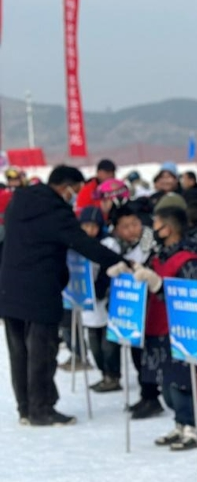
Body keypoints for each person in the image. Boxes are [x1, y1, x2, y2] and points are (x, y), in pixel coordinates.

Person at [0, 166, 127, 425]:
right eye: (75, 190)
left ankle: (25, 407)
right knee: (42, 352)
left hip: (9, 288)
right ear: (65, 186)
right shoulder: (55, 211)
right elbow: (83, 242)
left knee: (19, 352)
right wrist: (120, 262)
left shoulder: (18, 202)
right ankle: (41, 409)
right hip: (40, 290)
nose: (75, 195)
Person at [131, 198, 197, 449]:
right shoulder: (157, 255)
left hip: (179, 331)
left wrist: (159, 286)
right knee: (166, 382)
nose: (152, 229)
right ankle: (179, 423)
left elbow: (190, 297)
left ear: (169, 228)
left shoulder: (188, 260)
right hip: (156, 326)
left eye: (156, 224)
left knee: (183, 381)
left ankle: (192, 425)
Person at [109, 203, 162, 418]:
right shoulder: (116, 246)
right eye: (125, 226)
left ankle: (152, 395)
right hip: (132, 310)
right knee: (136, 353)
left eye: (135, 224)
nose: (132, 229)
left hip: (151, 307)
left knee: (146, 355)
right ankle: (146, 395)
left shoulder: (149, 241)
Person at [78, 207, 123, 393]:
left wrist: (100, 288)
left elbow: (110, 267)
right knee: (94, 345)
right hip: (87, 304)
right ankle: (103, 372)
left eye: (93, 226)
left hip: (105, 301)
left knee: (108, 345)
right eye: (86, 226)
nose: (90, 230)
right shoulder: (78, 244)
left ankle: (113, 375)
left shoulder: (108, 244)